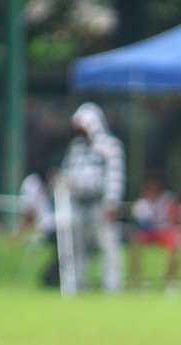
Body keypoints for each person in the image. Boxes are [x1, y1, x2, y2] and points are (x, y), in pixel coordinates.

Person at [61, 102, 127, 293]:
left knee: (107, 245)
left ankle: (112, 285)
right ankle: (76, 283)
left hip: (100, 204)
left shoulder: (109, 146)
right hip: (78, 203)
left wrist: (112, 203)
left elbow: (115, 175)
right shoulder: (75, 147)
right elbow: (69, 170)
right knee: (76, 247)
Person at [129, 175, 181, 291]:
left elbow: (175, 217)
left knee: (176, 244)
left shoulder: (169, 199)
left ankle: (171, 280)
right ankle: (137, 279)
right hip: (149, 231)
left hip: (164, 230)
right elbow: (141, 221)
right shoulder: (143, 202)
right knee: (136, 241)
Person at [13, 172, 60, 287]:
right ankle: (52, 276)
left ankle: (55, 276)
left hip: (59, 223)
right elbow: (29, 212)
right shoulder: (32, 182)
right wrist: (21, 231)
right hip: (49, 227)